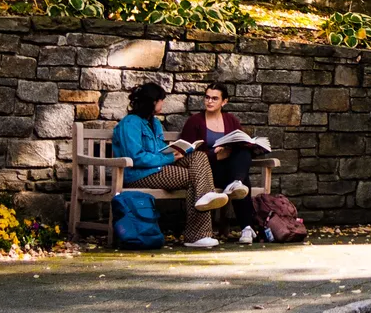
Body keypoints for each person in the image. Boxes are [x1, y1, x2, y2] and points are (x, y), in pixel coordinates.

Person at [110, 82, 230, 248]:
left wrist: (181, 151)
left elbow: (159, 150)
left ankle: (204, 201)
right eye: (161, 100)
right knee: (195, 179)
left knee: (199, 156)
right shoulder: (130, 123)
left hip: (157, 168)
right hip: (138, 174)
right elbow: (136, 158)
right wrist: (169, 159)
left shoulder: (154, 123)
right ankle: (197, 236)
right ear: (152, 101)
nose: (163, 103)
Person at [179, 83, 261, 244]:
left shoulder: (230, 120)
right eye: (207, 97)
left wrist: (241, 145)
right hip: (206, 172)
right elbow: (187, 153)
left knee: (243, 153)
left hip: (228, 170)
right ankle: (247, 227)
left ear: (224, 102)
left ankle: (236, 183)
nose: (209, 101)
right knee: (242, 181)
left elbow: (243, 142)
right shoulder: (194, 121)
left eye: (215, 98)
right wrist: (214, 154)